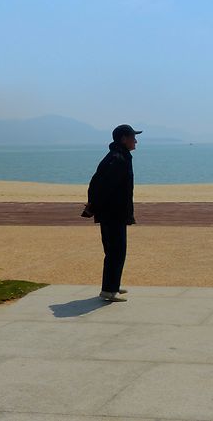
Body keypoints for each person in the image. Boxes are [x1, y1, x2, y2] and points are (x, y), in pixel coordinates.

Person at [87, 124, 142, 302]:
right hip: (113, 213)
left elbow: (98, 183)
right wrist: (96, 206)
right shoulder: (117, 159)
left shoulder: (120, 156)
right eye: (133, 136)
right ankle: (109, 291)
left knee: (116, 250)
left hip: (114, 212)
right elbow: (101, 186)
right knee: (115, 251)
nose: (136, 140)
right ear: (123, 139)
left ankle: (113, 286)